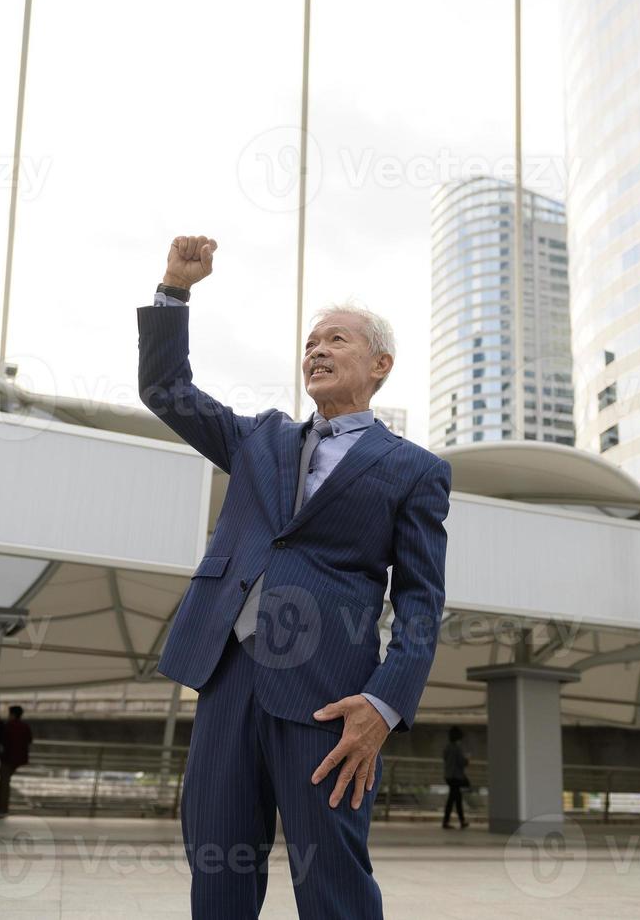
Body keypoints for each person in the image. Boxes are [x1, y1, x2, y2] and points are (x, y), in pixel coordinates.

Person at [139, 236, 452, 919]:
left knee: (332, 882)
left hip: (330, 701)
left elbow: (422, 602)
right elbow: (165, 390)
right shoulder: (260, 440)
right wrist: (174, 290)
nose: (315, 349)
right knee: (217, 871)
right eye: (310, 341)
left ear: (379, 365)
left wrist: (384, 703)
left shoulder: (414, 470)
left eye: (335, 339)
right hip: (226, 681)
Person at [0, 704, 32, 817]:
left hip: (7, 758)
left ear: (12, 714)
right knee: (3, 782)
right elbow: (29, 740)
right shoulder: (25, 726)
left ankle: (1, 810)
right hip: (18, 759)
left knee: (4, 783)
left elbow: (3, 741)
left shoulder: (8, 726)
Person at [442, 726, 470, 830]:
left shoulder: (447, 747)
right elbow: (462, 763)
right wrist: (467, 759)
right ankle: (449, 821)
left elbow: (445, 759)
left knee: (456, 799)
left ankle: (459, 821)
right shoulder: (457, 748)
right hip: (456, 777)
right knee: (454, 799)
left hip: (448, 776)